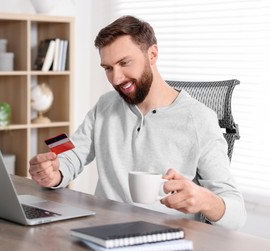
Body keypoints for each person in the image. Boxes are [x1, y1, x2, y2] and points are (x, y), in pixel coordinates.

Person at [29, 15, 246, 230]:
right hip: (101, 230)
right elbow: (70, 152)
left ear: (152, 54)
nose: (116, 78)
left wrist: (205, 200)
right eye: (108, 68)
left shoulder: (200, 119)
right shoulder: (105, 104)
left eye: (124, 63)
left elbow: (237, 214)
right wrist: (52, 172)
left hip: (162, 242)